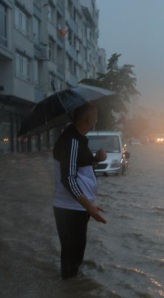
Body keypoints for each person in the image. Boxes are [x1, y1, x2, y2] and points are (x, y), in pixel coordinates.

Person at [52, 103, 107, 279]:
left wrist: (96, 159)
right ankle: (67, 297)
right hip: (70, 208)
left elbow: (80, 168)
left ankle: (71, 294)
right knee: (72, 257)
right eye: (96, 116)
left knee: (75, 253)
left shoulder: (77, 139)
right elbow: (68, 179)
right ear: (89, 119)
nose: (97, 119)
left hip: (77, 207)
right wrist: (88, 206)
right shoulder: (72, 141)